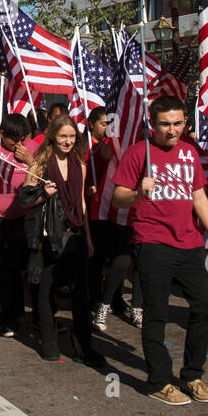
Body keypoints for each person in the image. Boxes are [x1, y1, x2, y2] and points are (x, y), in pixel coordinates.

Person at [113, 97, 208, 405]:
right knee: (157, 313)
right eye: (165, 124)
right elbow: (118, 198)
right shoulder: (138, 153)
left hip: (189, 242)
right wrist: (138, 192)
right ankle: (159, 380)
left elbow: (199, 197)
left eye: (178, 123)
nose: (172, 130)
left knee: (205, 306)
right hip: (152, 242)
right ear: (152, 124)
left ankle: (192, 375)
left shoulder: (190, 152)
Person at [19, 115, 104, 365]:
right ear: (53, 137)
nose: (67, 141)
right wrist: (43, 195)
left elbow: (81, 203)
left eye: (71, 136)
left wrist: (87, 236)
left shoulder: (80, 162)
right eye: (63, 136)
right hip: (50, 234)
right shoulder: (40, 164)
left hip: (75, 232)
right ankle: (49, 341)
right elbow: (25, 201)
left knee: (81, 293)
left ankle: (83, 347)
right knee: (46, 290)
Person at [84, 107, 142, 332]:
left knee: (130, 257)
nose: (106, 128)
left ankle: (124, 303)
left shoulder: (132, 144)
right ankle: (98, 300)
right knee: (100, 258)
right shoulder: (98, 146)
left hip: (129, 210)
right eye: (102, 123)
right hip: (101, 208)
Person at [0, 112, 32, 337]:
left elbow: (45, 173)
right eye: (14, 140)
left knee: (29, 270)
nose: (19, 144)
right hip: (0, 220)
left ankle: (32, 315)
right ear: (2, 134)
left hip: (27, 218)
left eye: (23, 138)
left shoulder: (30, 149)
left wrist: (30, 160)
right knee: (7, 272)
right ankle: (9, 318)